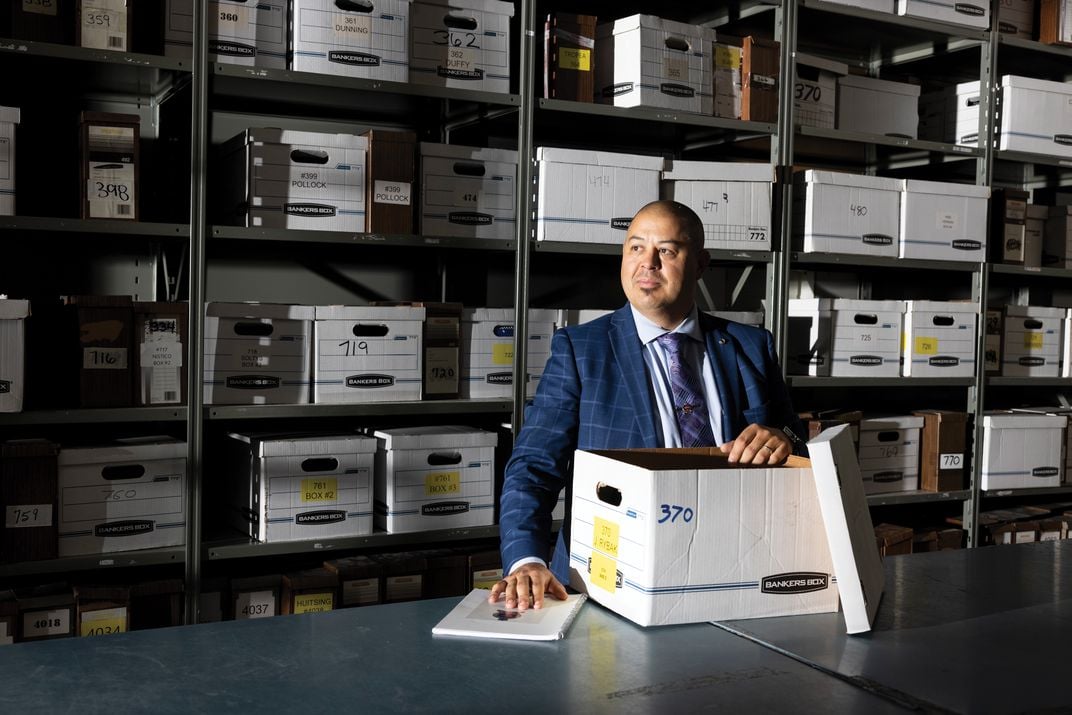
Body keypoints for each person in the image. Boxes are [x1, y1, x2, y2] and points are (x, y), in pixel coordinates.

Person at [490, 200, 807, 610]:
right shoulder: (580, 350)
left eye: (667, 251)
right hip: (612, 578)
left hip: (732, 569)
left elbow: (797, 441)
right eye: (636, 248)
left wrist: (780, 437)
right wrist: (527, 560)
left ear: (700, 264)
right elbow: (533, 466)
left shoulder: (751, 346)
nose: (648, 263)